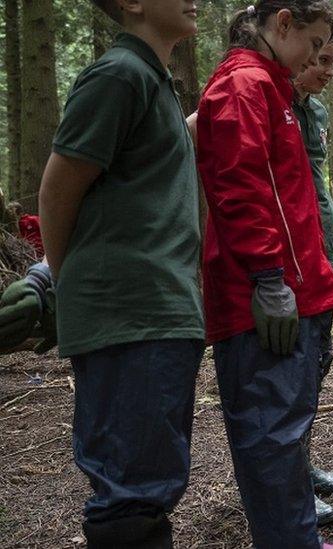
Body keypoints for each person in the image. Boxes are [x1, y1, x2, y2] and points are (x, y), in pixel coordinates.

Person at [37, 0, 202, 546]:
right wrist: (64, 283)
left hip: (162, 309)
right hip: (128, 311)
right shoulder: (119, 74)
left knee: (151, 484)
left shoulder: (153, 80)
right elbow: (59, 189)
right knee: (131, 492)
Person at [195, 2, 333, 547]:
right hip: (262, 296)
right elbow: (240, 188)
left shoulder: (271, 87)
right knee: (270, 430)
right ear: (282, 24)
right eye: (312, 45)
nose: (316, 60)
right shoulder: (244, 86)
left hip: (293, 288)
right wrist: (267, 276)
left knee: (286, 422)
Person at [292, 34, 333, 526]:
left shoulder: (314, 112)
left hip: (321, 252)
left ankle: (302, 465)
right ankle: (286, 482)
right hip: (288, 258)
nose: (327, 69)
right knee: (292, 371)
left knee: (317, 361)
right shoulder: (268, 101)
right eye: (319, 60)